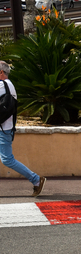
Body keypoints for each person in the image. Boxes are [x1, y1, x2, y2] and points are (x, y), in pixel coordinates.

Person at [0, 61, 46, 197]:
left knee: (7, 159)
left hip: (3, 130)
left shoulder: (2, 85)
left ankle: (36, 179)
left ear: (1, 73)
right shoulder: (9, 85)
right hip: (5, 128)